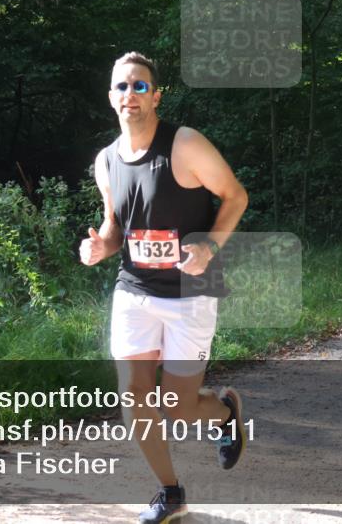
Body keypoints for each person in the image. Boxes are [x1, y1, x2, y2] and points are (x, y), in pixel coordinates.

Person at [79, 51, 249, 523]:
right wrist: (100, 248)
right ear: (110, 96)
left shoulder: (186, 144)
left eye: (139, 86)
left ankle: (224, 413)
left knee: (177, 405)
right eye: (121, 87)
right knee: (133, 394)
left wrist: (209, 247)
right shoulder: (106, 161)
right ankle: (170, 492)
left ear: (155, 96)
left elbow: (235, 196)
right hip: (134, 290)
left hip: (191, 292)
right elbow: (115, 230)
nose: (129, 94)